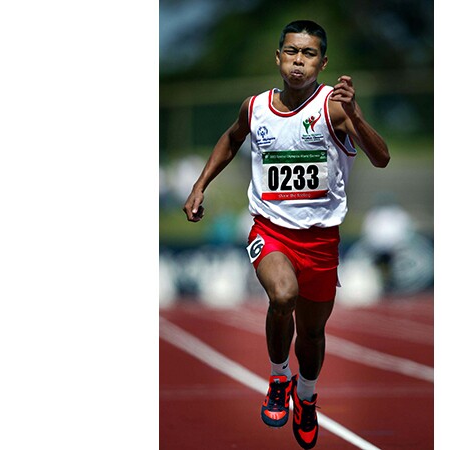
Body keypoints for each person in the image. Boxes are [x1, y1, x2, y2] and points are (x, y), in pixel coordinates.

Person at [183, 20, 390, 449]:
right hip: (270, 229)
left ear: (323, 62)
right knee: (282, 295)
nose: (299, 61)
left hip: (321, 239)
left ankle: (308, 398)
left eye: (309, 54)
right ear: (278, 58)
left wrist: (355, 115)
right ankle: (279, 378)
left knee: (312, 334)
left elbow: (382, 157)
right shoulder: (255, 106)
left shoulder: (335, 107)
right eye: (292, 52)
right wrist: (200, 184)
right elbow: (231, 137)